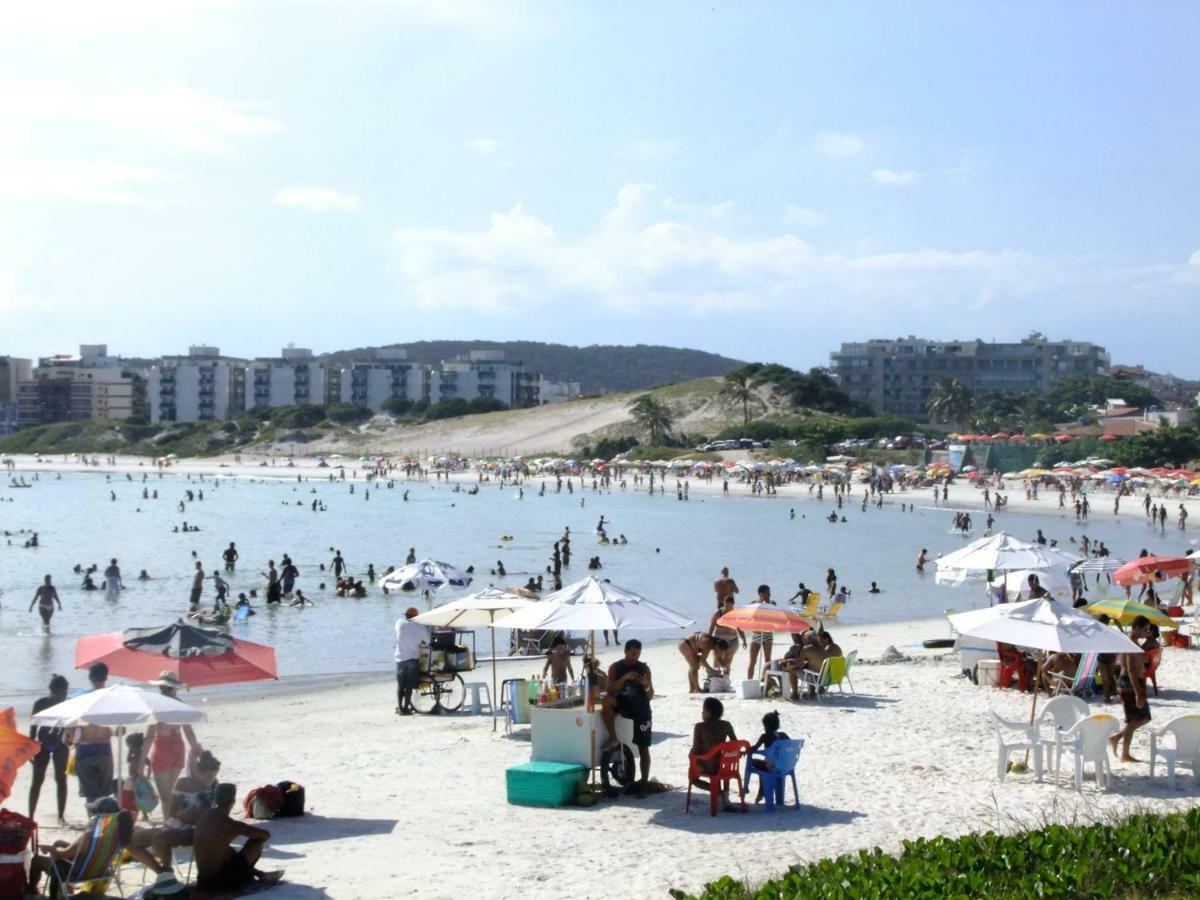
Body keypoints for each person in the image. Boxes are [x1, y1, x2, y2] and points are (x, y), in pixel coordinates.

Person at [194, 783, 282, 891]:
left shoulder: (204, 816)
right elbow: (264, 835)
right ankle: (246, 877)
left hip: (202, 879)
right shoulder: (230, 824)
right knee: (256, 843)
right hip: (221, 881)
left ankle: (257, 873)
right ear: (233, 802)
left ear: (216, 800)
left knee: (225, 849)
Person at [138, 672, 201, 816]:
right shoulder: (180, 704)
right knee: (170, 794)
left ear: (161, 687)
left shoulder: (157, 706)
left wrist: (141, 761)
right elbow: (188, 731)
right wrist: (195, 748)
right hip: (178, 746)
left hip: (163, 748)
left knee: (166, 796)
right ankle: (170, 822)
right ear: (175, 688)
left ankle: (168, 824)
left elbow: (149, 736)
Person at [602, 640, 654, 796]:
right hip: (623, 703)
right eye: (632, 653)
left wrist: (645, 685)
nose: (635, 657)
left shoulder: (643, 668)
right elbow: (609, 690)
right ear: (625, 651)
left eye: (637, 654)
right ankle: (613, 738)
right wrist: (624, 678)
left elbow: (650, 695)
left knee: (643, 747)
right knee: (606, 702)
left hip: (641, 708)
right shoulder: (616, 667)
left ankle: (644, 784)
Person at [29, 674, 70, 824]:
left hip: (60, 744)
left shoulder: (68, 704)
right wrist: (30, 748)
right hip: (43, 745)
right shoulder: (40, 704)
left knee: (61, 780)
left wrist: (71, 741)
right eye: (64, 691)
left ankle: (61, 816)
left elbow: (70, 727)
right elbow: (33, 728)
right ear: (56, 691)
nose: (66, 694)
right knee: (37, 782)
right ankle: (31, 816)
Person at [688, 697, 741, 812]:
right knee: (721, 771)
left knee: (692, 777)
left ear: (709, 712)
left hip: (708, 766)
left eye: (703, 710)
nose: (702, 713)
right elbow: (735, 743)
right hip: (725, 767)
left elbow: (696, 748)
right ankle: (725, 798)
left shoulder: (700, 727)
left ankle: (717, 791)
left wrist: (691, 757)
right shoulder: (727, 725)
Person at [1111, 616, 1152, 763]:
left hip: (1135, 682)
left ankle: (1116, 738)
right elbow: (1130, 671)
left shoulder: (1134, 643)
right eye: (1145, 629)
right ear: (1136, 628)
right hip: (1129, 683)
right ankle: (1125, 754)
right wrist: (1137, 692)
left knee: (1144, 717)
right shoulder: (1129, 644)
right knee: (1133, 720)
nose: (1147, 632)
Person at [75, 664, 115, 805]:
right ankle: (103, 823)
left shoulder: (80, 698)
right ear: (106, 677)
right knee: (105, 794)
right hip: (104, 749)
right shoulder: (111, 698)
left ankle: (93, 823)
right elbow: (118, 729)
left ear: (89, 677)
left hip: (85, 749)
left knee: (89, 794)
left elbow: (71, 727)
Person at [748, 710, 791, 802]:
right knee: (764, 767)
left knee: (754, 762)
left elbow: (754, 748)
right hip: (785, 766)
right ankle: (763, 792)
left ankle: (761, 791)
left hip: (771, 767)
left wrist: (747, 750)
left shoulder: (764, 736)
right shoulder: (783, 735)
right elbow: (790, 746)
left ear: (766, 726)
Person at [394, 607, 429, 715]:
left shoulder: (400, 624)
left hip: (400, 658)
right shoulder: (420, 627)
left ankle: (400, 708)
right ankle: (406, 707)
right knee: (409, 685)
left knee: (400, 685)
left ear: (406, 616)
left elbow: (398, 628)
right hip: (413, 659)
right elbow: (428, 641)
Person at [745, 584, 776, 679]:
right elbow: (749, 618)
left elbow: (775, 618)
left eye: (769, 593)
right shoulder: (753, 604)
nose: (769, 595)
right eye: (767, 593)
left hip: (768, 634)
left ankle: (767, 680)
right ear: (761, 594)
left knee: (767, 660)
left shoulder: (772, 604)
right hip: (756, 634)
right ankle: (749, 681)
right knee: (752, 660)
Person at [708, 596, 743, 674]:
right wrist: (709, 637)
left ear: (733, 605)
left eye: (729, 606)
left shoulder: (736, 614)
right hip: (719, 640)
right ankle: (714, 681)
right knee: (717, 660)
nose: (727, 608)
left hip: (732, 641)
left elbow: (739, 628)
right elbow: (712, 625)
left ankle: (726, 680)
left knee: (728, 661)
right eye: (725, 605)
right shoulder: (718, 613)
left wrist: (743, 639)